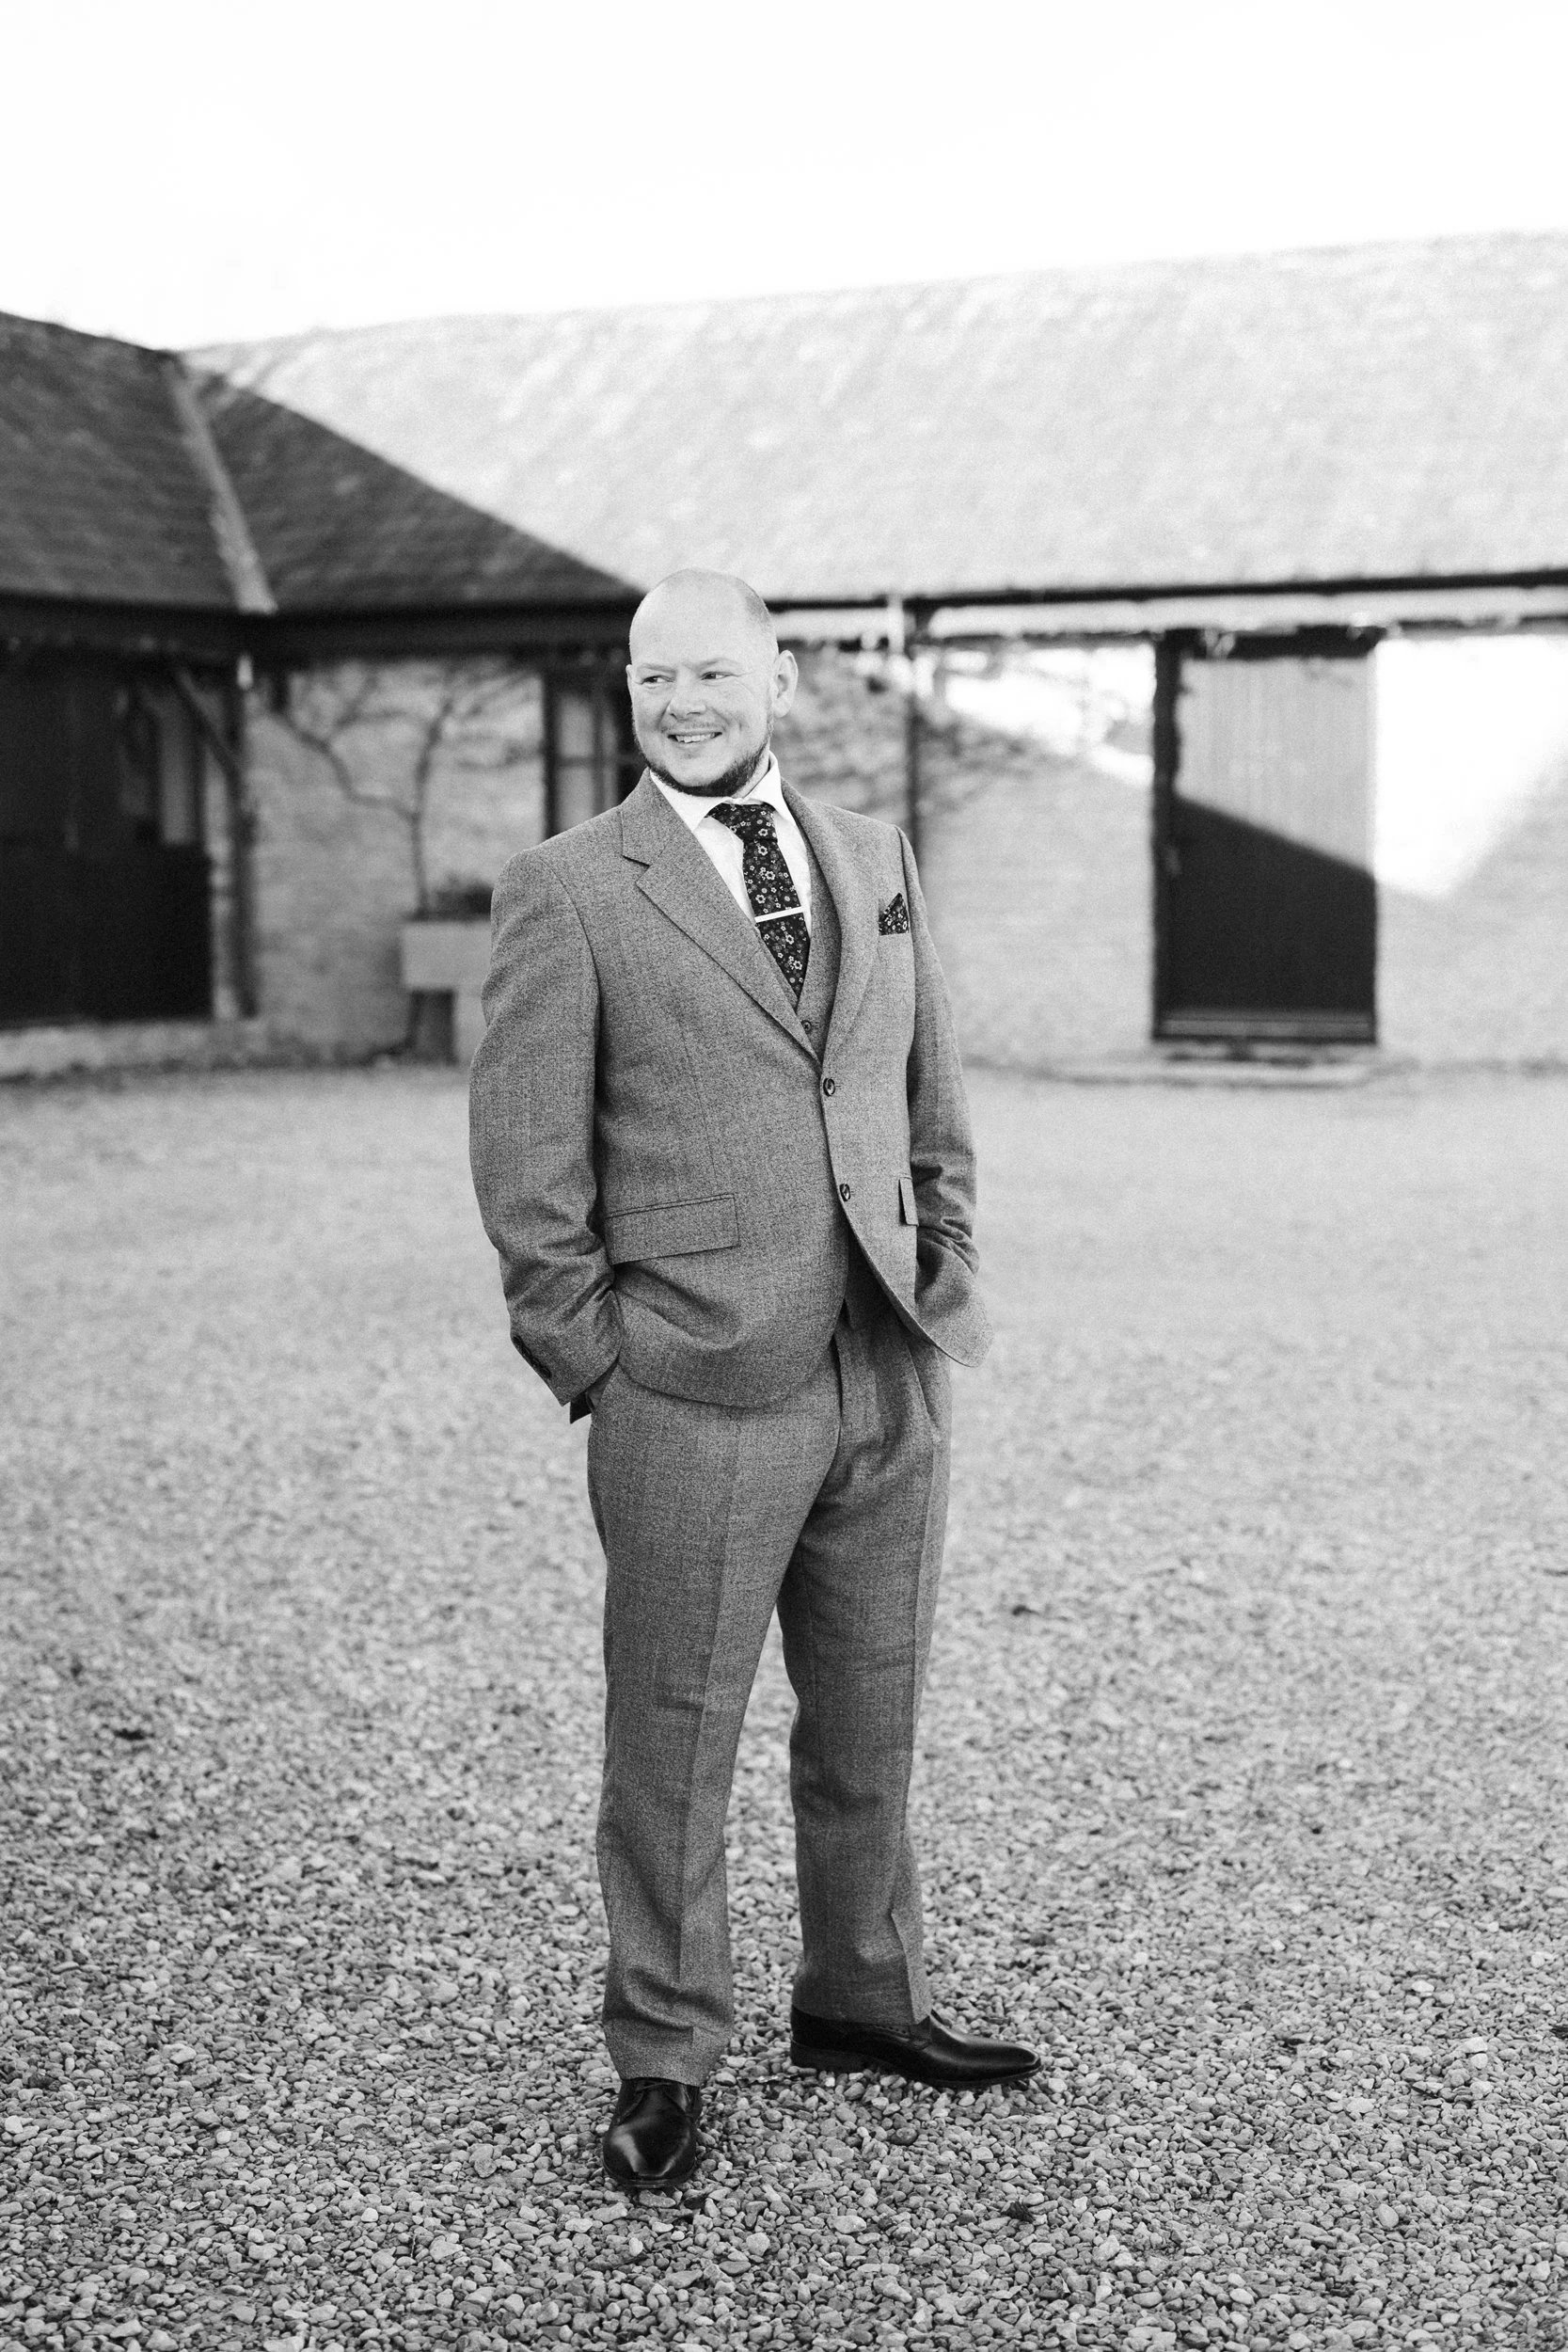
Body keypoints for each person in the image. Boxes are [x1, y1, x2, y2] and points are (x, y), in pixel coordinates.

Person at [468, 568, 1037, 2189]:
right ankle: (662, 2054)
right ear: (630, 694)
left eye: (713, 673)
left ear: (780, 679)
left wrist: (947, 1276)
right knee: (674, 1736)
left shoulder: (872, 857)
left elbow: (932, 1103)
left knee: (869, 1720)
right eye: (654, 681)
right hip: (692, 1391)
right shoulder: (570, 888)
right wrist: (599, 1362)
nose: (683, 703)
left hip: (885, 1370)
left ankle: (863, 1996)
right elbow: (525, 1168)